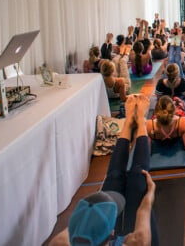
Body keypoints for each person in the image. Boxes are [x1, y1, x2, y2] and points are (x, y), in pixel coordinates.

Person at [49, 95, 157, 245]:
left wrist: (85, 222)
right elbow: (143, 218)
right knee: (139, 177)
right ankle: (140, 121)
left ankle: (128, 124)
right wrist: (150, 194)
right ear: (112, 233)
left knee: (114, 176)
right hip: (128, 227)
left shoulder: (60, 242)